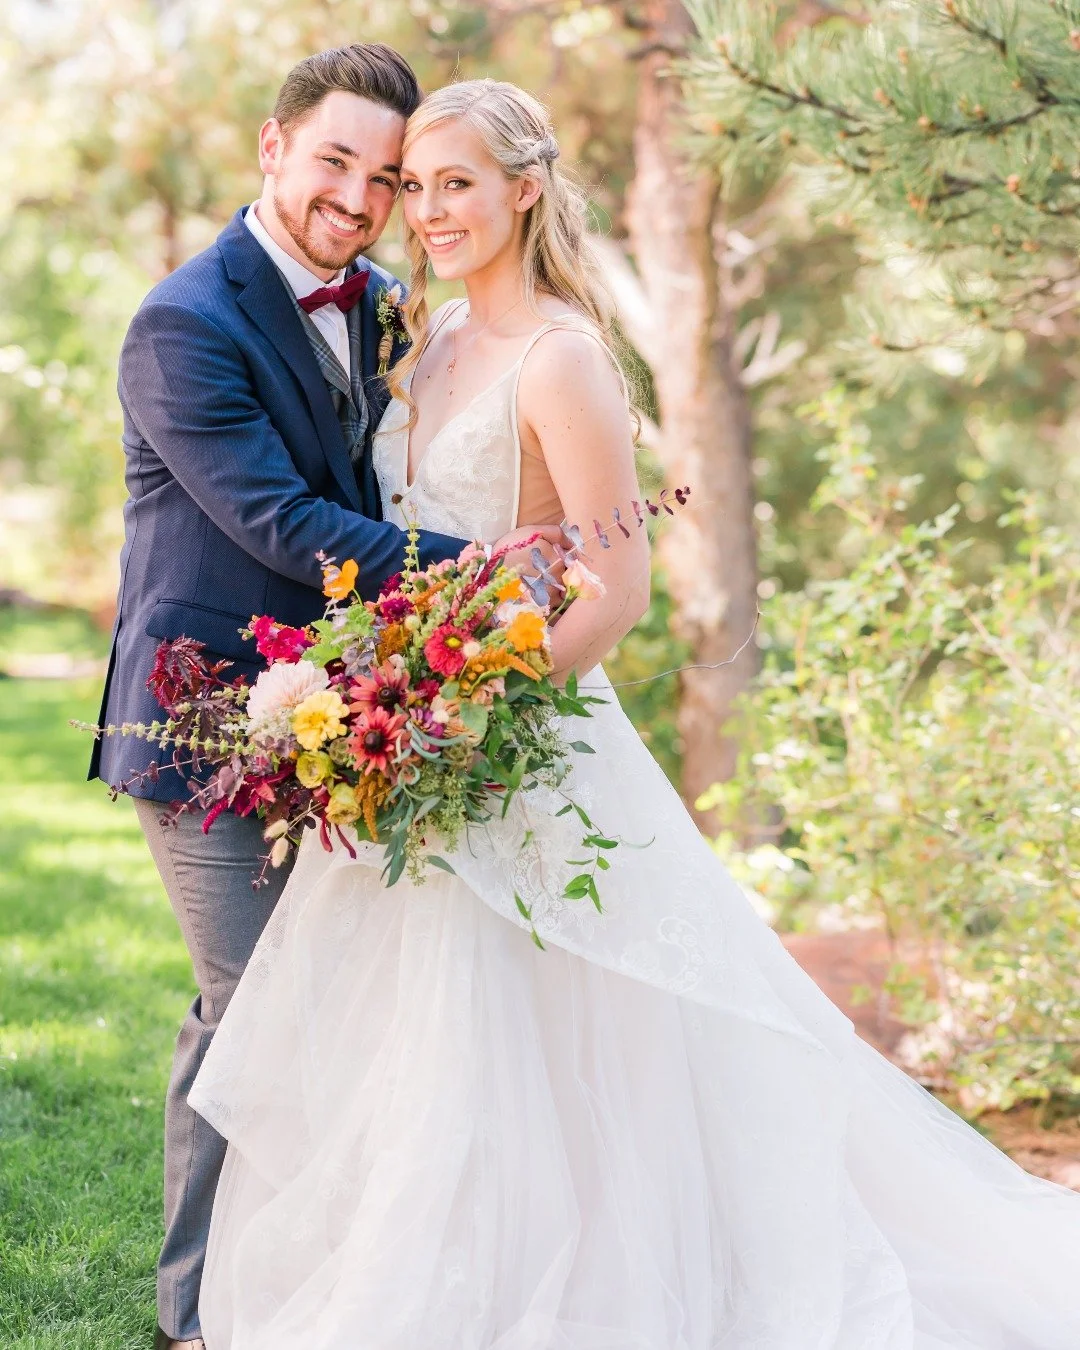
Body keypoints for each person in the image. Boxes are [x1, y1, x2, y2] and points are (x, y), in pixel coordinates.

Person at [191, 79, 1080, 1350]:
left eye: (457, 184)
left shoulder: (562, 358)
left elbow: (618, 589)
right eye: (415, 186)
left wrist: (474, 712)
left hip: (517, 742)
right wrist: (403, 702)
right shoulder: (428, 338)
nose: (426, 212)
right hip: (420, 741)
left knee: (562, 1040)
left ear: (525, 190)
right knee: (426, 1055)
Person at [88, 47, 560, 1350]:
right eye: (334, 161)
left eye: (386, 176)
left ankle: (319, 1279)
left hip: (353, 719)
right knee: (252, 1009)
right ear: (273, 147)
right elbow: (282, 520)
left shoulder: (393, 307)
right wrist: (489, 566)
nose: (358, 197)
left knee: (353, 1006)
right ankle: (195, 1310)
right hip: (199, 724)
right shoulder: (184, 323)